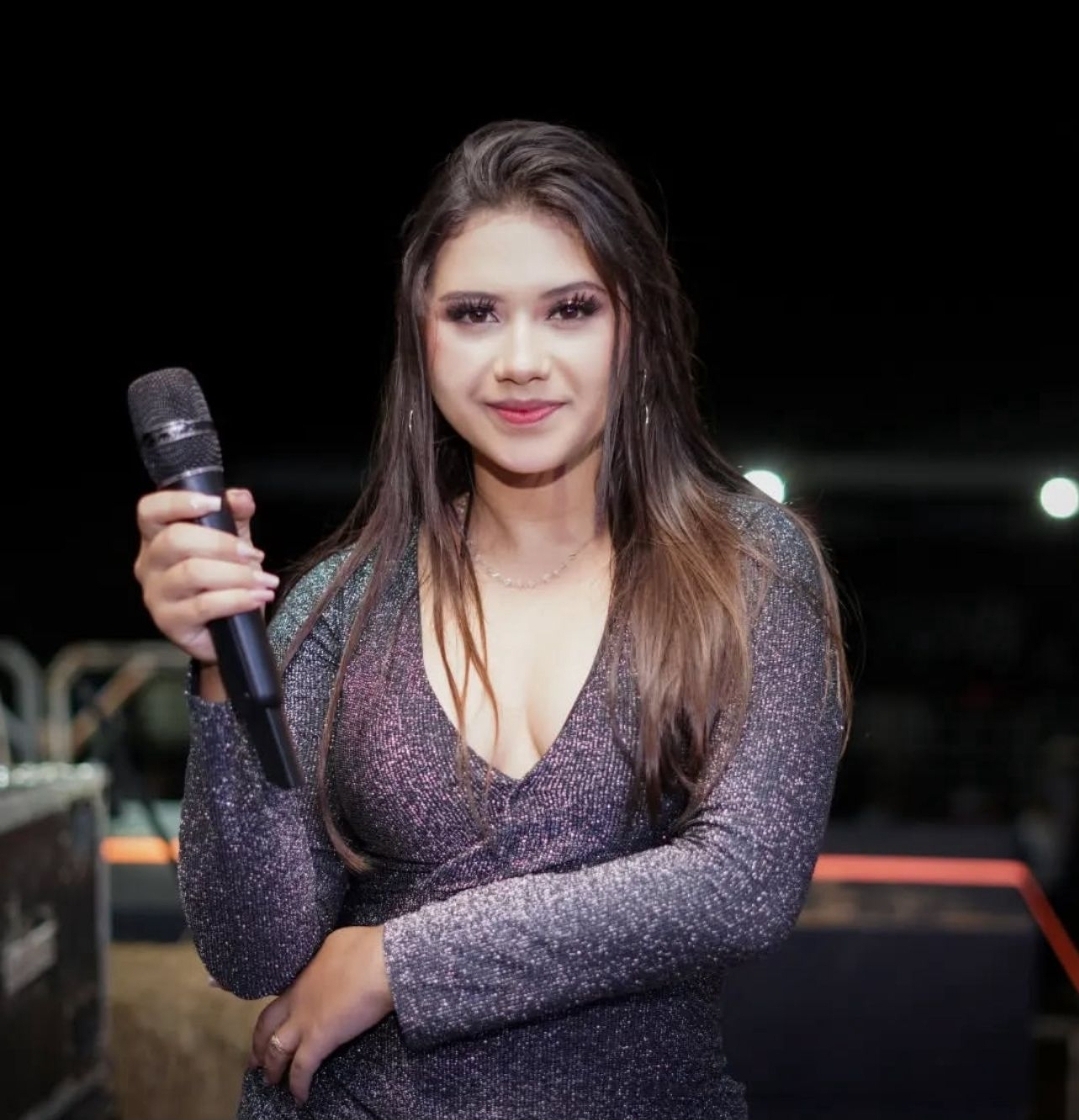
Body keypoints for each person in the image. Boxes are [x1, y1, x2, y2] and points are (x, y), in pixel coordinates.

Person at [133, 119, 852, 1120]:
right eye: (474, 313)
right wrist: (218, 670)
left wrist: (398, 960)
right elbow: (253, 952)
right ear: (420, 338)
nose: (519, 360)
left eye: (569, 309)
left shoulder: (742, 567)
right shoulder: (341, 602)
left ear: (635, 325)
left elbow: (741, 884)